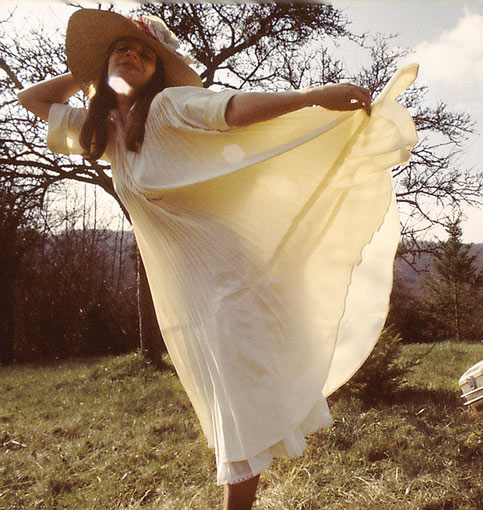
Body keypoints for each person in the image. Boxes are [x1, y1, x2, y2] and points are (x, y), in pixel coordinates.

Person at [17, 9, 417, 510]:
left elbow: (234, 110)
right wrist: (95, 67)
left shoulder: (169, 106)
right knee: (233, 404)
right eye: (125, 50)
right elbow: (32, 99)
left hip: (233, 281)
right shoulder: (108, 134)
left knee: (238, 412)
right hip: (196, 293)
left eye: (145, 54)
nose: (135, 57)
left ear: (160, 72)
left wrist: (313, 98)